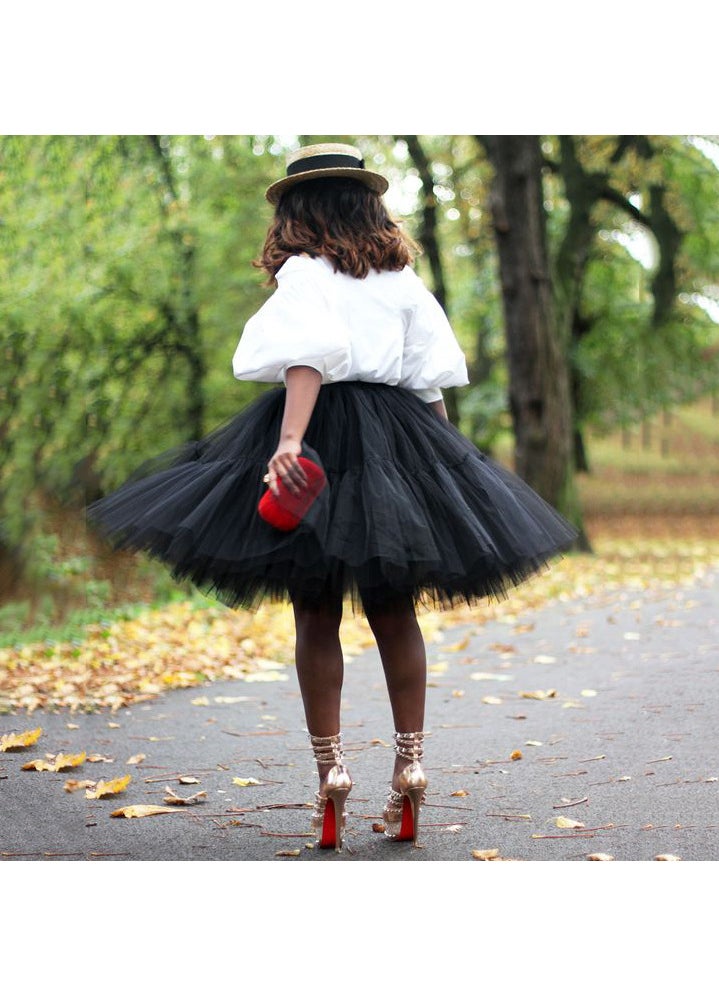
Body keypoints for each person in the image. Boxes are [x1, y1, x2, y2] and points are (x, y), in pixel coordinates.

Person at [86, 142, 577, 853]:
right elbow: (428, 379)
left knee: (316, 613)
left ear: (299, 209)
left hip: (320, 435)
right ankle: (411, 764)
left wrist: (288, 443)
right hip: (397, 440)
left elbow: (308, 358)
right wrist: (443, 471)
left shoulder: (307, 272)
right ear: (366, 204)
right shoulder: (401, 280)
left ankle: (332, 775)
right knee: (393, 609)